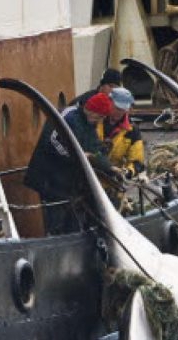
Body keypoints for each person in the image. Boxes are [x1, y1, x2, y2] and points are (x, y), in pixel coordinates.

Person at [24, 92, 116, 235]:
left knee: (72, 222)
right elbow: (53, 140)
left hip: (66, 181)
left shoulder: (88, 123)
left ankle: (71, 243)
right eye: (99, 116)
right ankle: (55, 245)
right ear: (91, 110)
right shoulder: (69, 116)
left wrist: (109, 167)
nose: (100, 121)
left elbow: (94, 147)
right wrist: (78, 156)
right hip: (49, 178)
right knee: (55, 220)